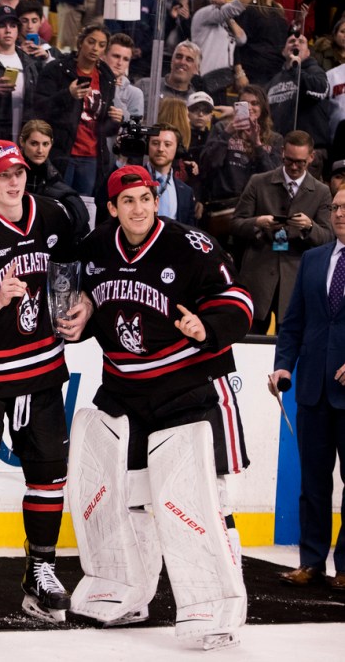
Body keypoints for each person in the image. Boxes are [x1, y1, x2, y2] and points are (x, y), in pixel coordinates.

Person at [67, 165, 253, 649]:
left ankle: (218, 607)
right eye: (127, 200)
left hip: (186, 388)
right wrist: (80, 315)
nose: (139, 208)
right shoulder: (95, 249)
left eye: (146, 198)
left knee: (200, 498)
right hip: (124, 391)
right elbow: (86, 301)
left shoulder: (190, 246)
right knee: (122, 494)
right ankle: (124, 591)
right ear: (111, 208)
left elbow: (237, 298)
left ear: (156, 200)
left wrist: (206, 327)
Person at [0, 139, 83, 624]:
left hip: (44, 372)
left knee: (48, 475)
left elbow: (75, 277)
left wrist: (79, 311)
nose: (14, 181)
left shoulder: (53, 216)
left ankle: (41, 569)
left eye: (20, 172)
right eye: (3, 173)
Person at [271, 184, 345, 592]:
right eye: (334, 207)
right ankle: (311, 561)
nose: (338, 214)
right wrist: (283, 366)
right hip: (312, 388)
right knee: (313, 481)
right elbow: (293, 322)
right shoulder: (314, 259)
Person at [231, 130, 333, 334]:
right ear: (281, 153)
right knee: (248, 342)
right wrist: (258, 222)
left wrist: (309, 227)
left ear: (311, 157)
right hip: (258, 278)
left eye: (301, 162)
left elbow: (328, 237)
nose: (294, 166)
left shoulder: (322, 192)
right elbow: (236, 224)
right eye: (289, 161)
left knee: (289, 347)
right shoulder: (258, 182)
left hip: (296, 281)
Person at [35, 24, 119, 198]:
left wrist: (115, 119)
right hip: (61, 152)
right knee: (56, 205)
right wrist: (68, 94)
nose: (95, 48)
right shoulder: (56, 69)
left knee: (84, 209)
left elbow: (104, 124)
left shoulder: (107, 77)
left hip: (92, 156)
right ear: (81, 42)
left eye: (101, 45)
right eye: (91, 42)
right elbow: (39, 108)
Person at [200, 85, 283, 221]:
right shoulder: (222, 128)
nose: (249, 108)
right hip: (224, 206)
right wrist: (227, 134)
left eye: (255, 103)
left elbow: (274, 177)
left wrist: (258, 145)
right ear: (237, 106)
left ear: (263, 108)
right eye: (244, 104)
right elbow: (208, 165)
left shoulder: (275, 139)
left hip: (257, 209)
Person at [191, 0, 271, 103]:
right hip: (204, 81)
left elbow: (241, 39)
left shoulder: (223, 19)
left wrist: (228, 18)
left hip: (219, 82)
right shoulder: (203, 13)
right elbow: (232, 8)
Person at [19, 119, 91, 240]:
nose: (40, 150)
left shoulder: (54, 176)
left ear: (51, 144)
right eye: (34, 143)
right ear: (22, 141)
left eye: (45, 144)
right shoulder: (10, 172)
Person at [0, 4, 38, 146]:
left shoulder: (29, 63)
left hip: (24, 139)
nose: (8, 30)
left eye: (13, 26)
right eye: (2, 25)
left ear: (18, 31)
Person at [235, 0, 291, 89]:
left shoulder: (279, 10)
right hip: (255, 72)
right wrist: (239, 72)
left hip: (277, 71)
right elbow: (236, 43)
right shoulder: (249, 10)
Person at [144, 123, 197, 226]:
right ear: (147, 146)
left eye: (167, 144)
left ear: (177, 149)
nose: (160, 149)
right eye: (155, 143)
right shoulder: (130, 180)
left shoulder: (187, 192)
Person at [105, 32, 144, 161]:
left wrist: (113, 88)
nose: (120, 63)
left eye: (126, 59)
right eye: (116, 56)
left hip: (114, 159)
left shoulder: (135, 94)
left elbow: (135, 130)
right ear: (104, 55)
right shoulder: (91, 84)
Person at [136, 39, 203, 104]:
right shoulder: (144, 86)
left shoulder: (195, 102)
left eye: (189, 59)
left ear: (197, 69)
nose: (182, 62)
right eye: (179, 57)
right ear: (172, 61)